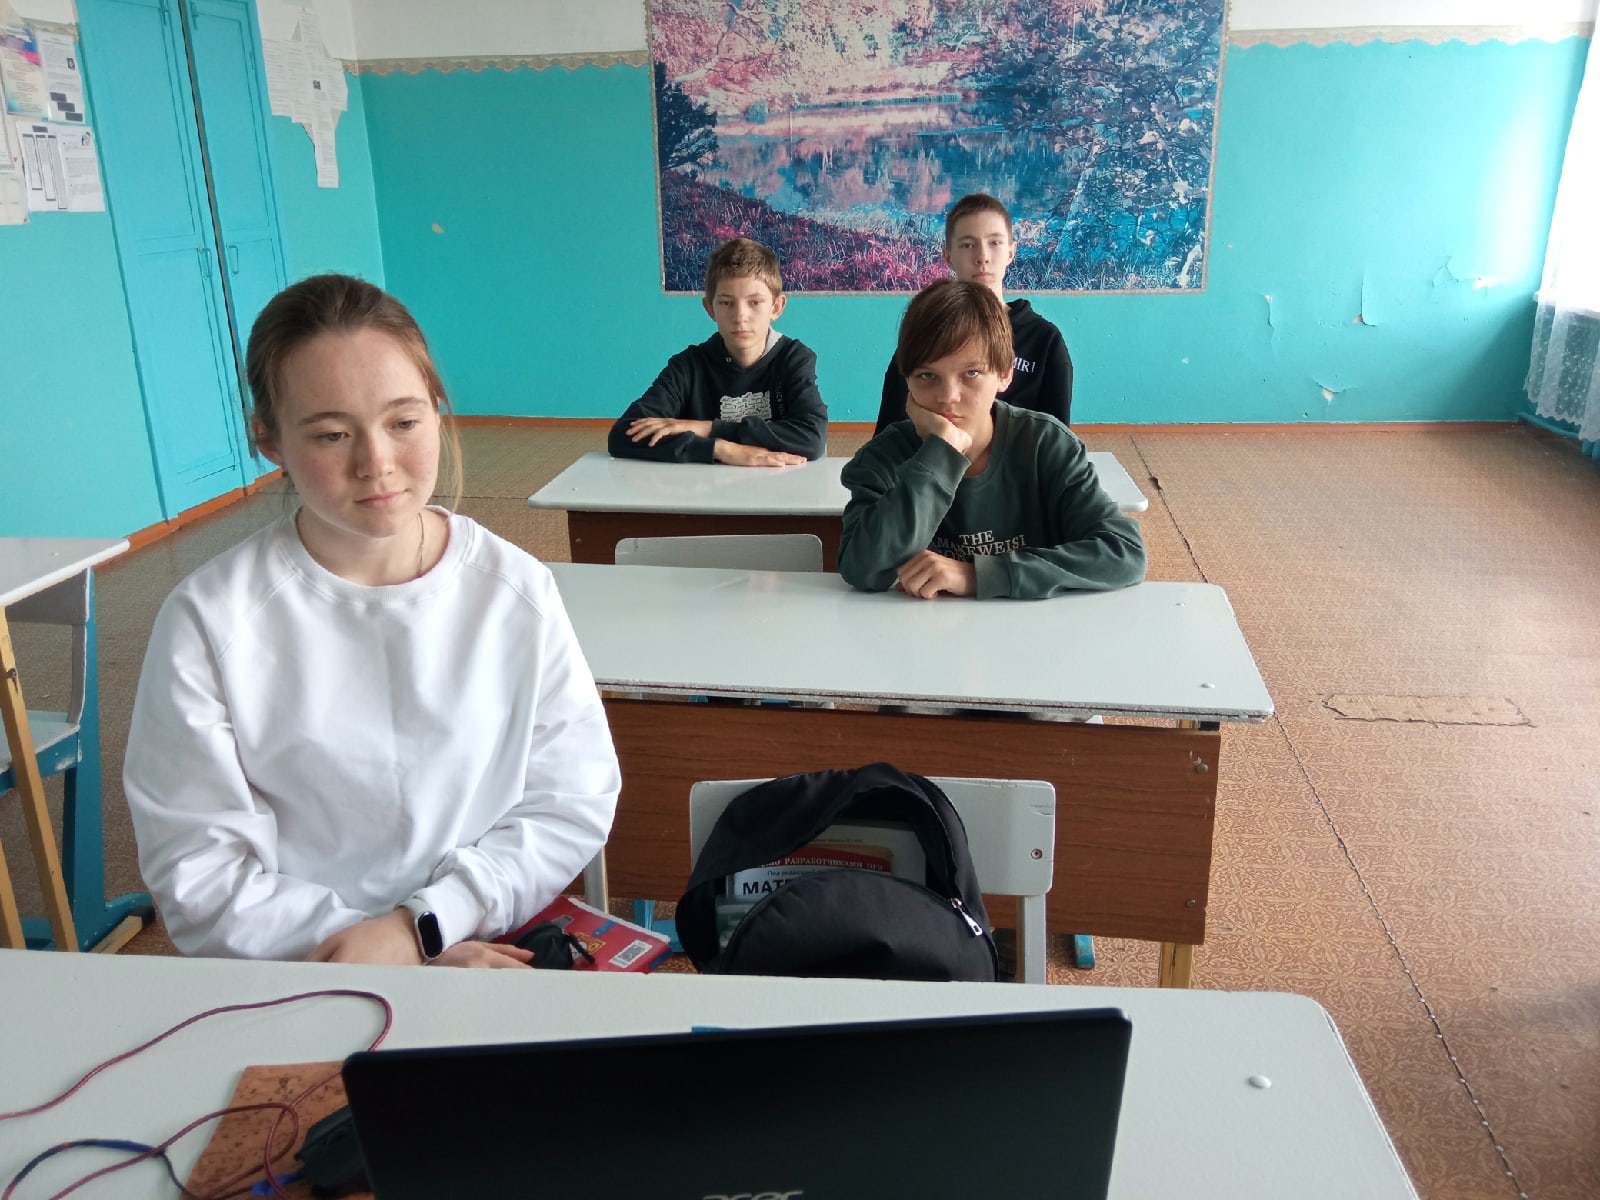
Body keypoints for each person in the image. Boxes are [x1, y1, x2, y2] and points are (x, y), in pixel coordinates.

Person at [124, 274, 621, 965]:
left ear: (437, 410)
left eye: (404, 423)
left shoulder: (514, 590)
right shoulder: (209, 620)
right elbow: (199, 869)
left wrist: (425, 926)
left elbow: (570, 796)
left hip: (486, 944)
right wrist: (382, 949)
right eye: (331, 434)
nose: (376, 464)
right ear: (268, 439)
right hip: (298, 969)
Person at [840, 279, 1145, 600]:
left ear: (1005, 373)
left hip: (1034, 624)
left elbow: (1124, 552)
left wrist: (979, 575)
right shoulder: (885, 455)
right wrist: (940, 454)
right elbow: (863, 570)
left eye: (971, 373)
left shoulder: (1046, 444)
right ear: (907, 381)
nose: (948, 397)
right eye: (927, 376)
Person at [608, 237, 827, 466]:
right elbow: (623, 435)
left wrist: (708, 428)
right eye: (726, 303)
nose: (740, 316)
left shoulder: (794, 358)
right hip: (705, 485)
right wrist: (721, 448)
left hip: (782, 483)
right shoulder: (689, 366)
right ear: (710, 308)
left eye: (754, 302)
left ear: (776, 307)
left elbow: (811, 438)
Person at [872, 193, 1073, 435]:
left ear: (1011, 252)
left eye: (994, 243)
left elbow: (1057, 439)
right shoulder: (925, 329)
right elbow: (888, 433)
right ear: (948, 255)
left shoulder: (1044, 339)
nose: (982, 257)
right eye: (968, 245)